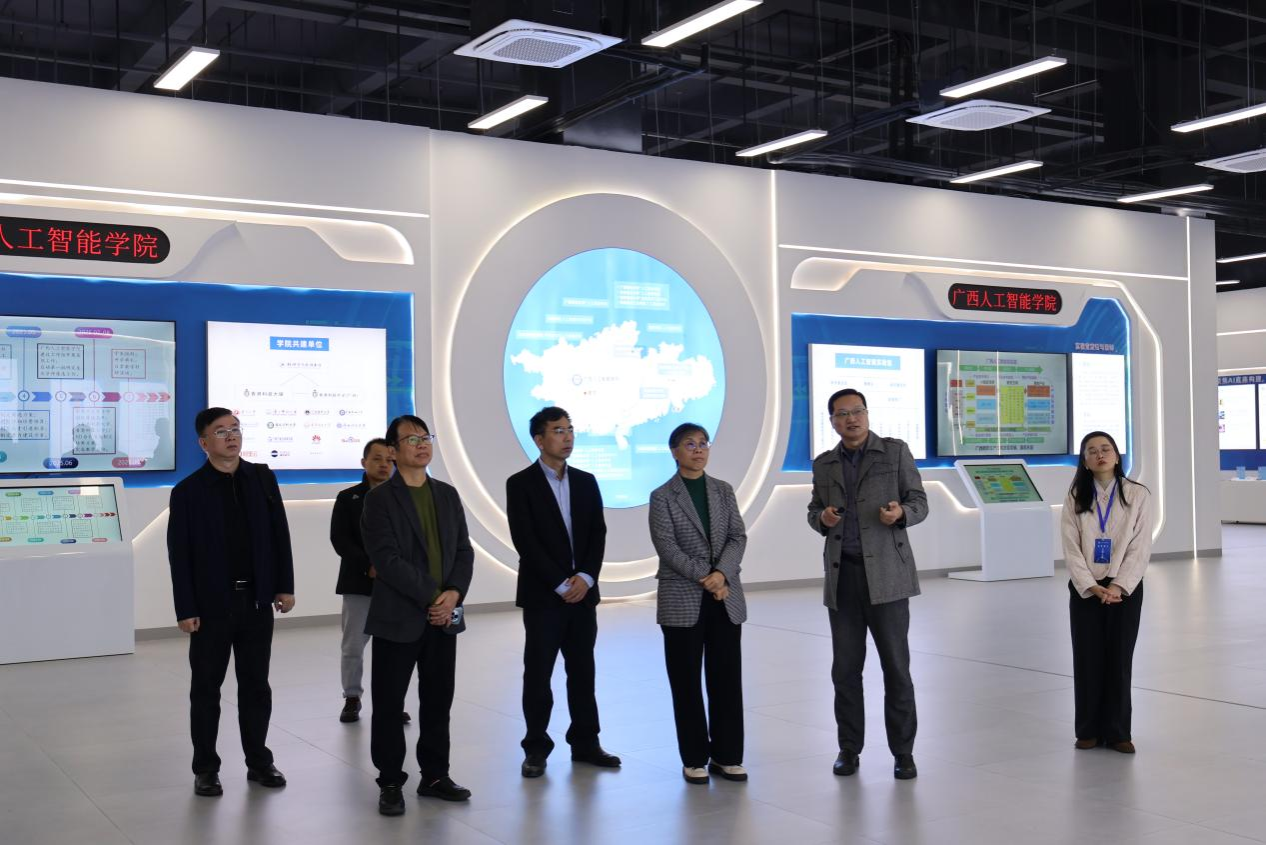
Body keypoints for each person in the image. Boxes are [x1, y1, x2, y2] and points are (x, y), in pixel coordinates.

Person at [167, 407, 295, 798]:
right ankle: (206, 768)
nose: (231, 436)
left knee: (256, 686)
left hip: (256, 602)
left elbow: (279, 534)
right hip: (211, 607)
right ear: (203, 443)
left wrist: (284, 586)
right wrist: (186, 608)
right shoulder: (188, 491)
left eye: (235, 429)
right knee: (206, 689)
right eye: (221, 431)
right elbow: (180, 555)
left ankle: (259, 761)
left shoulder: (262, 478)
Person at [806, 388, 927, 781]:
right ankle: (848, 749)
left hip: (888, 577)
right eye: (842, 414)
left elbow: (919, 502)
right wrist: (821, 519)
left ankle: (903, 752)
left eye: (857, 411)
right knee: (845, 670)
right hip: (843, 577)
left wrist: (901, 513)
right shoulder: (824, 464)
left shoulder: (894, 452)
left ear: (867, 414)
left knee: (896, 668)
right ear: (832, 421)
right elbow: (813, 510)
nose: (851, 419)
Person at [361, 414, 474, 814]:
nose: (422, 444)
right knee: (389, 705)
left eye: (426, 437)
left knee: (438, 701)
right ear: (392, 451)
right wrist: (435, 597)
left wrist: (454, 595)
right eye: (411, 439)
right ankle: (391, 781)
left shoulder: (447, 494)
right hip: (399, 617)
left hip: (445, 617)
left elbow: (463, 550)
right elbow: (387, 561)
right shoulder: (379, 500)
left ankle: (436, 776)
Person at [506, 406, 621, 778]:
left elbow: (597, 533)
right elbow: (526, 540)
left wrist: (586, 577)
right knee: (538, 674)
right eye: (558, 430)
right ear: (539, 440)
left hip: (583, 595)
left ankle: (586, 742)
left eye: (570, 429)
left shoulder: (586, 481)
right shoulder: (520, 483)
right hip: (544, 596)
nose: (567, 436)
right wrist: (559, 583)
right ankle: (536, 747)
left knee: (583, 671)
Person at [648, 423, 748, 785]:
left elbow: (737, 536)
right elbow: (667, 547)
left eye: (703, 443)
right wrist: (708, 577)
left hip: (725, 598)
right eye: (689, 444)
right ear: (674, 452)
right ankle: (694, 758)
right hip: (682, 599)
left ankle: (727, 756)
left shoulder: (723, 490)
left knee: (726, 679)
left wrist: (722, 574)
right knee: (686, 682)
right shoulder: (662, 496)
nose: (698, 449)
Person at [1062, 430, 1152, 754]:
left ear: (1116, 456)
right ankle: (1087, 730)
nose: (1099, 455)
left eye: (1106, 449)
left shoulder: (1138, 494)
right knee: (1087, 658)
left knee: (1119, 659)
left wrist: (1118, 585)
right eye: (1091, 451)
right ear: (1084, 461)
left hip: (1124, 589)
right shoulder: (1076, 496)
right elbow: (1071, 547)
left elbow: (1140, 547)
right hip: (1086, 589)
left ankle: (1117, 732)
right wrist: (1090, 585)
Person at [329, 438, 410, 724]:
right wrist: (369, 566)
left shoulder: (404, 497)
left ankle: (392, 703)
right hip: (359, 583)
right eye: (377, 459)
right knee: (353, 646)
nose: (384, 465)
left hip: (396, 586)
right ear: (364, 462)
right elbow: (340, 540)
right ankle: (352, 697)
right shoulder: (348, 497)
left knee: (395, 649)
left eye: (389, 460)